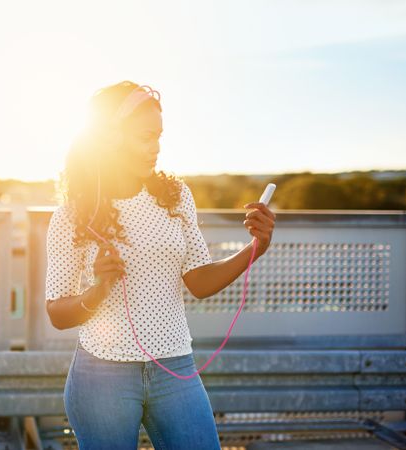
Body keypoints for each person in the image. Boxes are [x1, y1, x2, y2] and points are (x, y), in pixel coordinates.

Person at [44, 80, 276, 449]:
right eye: (144, 138)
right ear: (110, 139)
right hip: (102, 375)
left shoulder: (175, 195)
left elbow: (199, 280)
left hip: (175, 369)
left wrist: (256, 248)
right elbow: (57, 312)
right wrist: (99, 290)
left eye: (159, 138)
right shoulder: (71, 216)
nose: (155, 149)